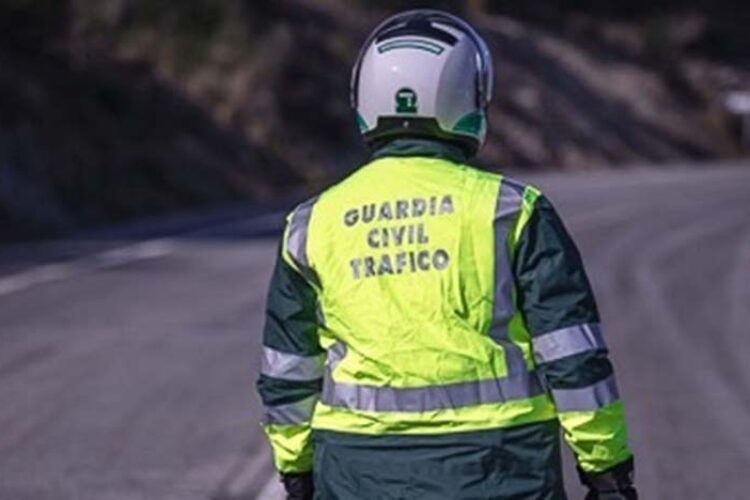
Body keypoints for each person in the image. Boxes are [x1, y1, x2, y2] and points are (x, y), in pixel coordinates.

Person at [256, 9, 637, 500]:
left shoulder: (311, 224)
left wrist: (296, 470)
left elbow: (288, 370)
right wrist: (607, 471)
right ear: (468, 98)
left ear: (365, 100)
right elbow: (574, 358)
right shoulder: (512, 212)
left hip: (358, 472)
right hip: (500, 468)